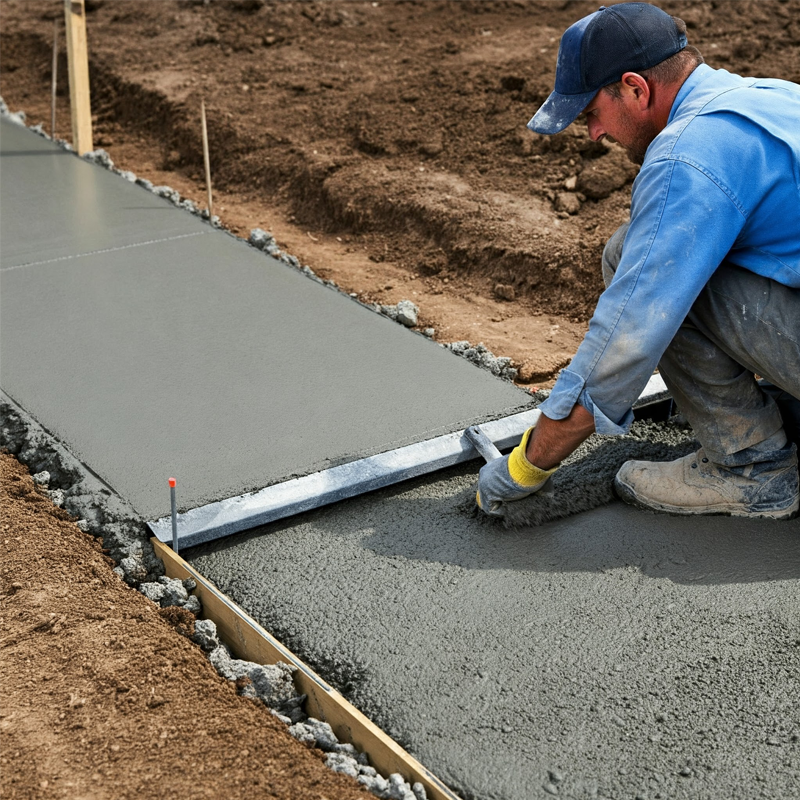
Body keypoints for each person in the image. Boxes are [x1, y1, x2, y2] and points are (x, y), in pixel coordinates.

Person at [476, 2, 800, 520]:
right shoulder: (772, 97)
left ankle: (752, 470)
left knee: (637, 260)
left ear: (634, 88)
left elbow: (628, 336)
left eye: (591, 115)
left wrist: (527, 466)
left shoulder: (687, 156)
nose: (594, 135)